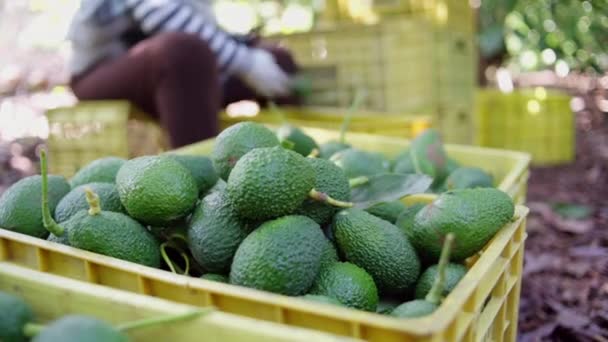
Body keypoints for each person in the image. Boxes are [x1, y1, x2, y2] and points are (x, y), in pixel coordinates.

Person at [67, 0, 299, 148]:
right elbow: (162, 15)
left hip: (176, 73)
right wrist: (246, 63)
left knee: (280, 61)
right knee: (184, 52)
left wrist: (247, 47)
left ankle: (289, 158)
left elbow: (196, 25)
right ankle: (201, 184)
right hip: (104, 71)